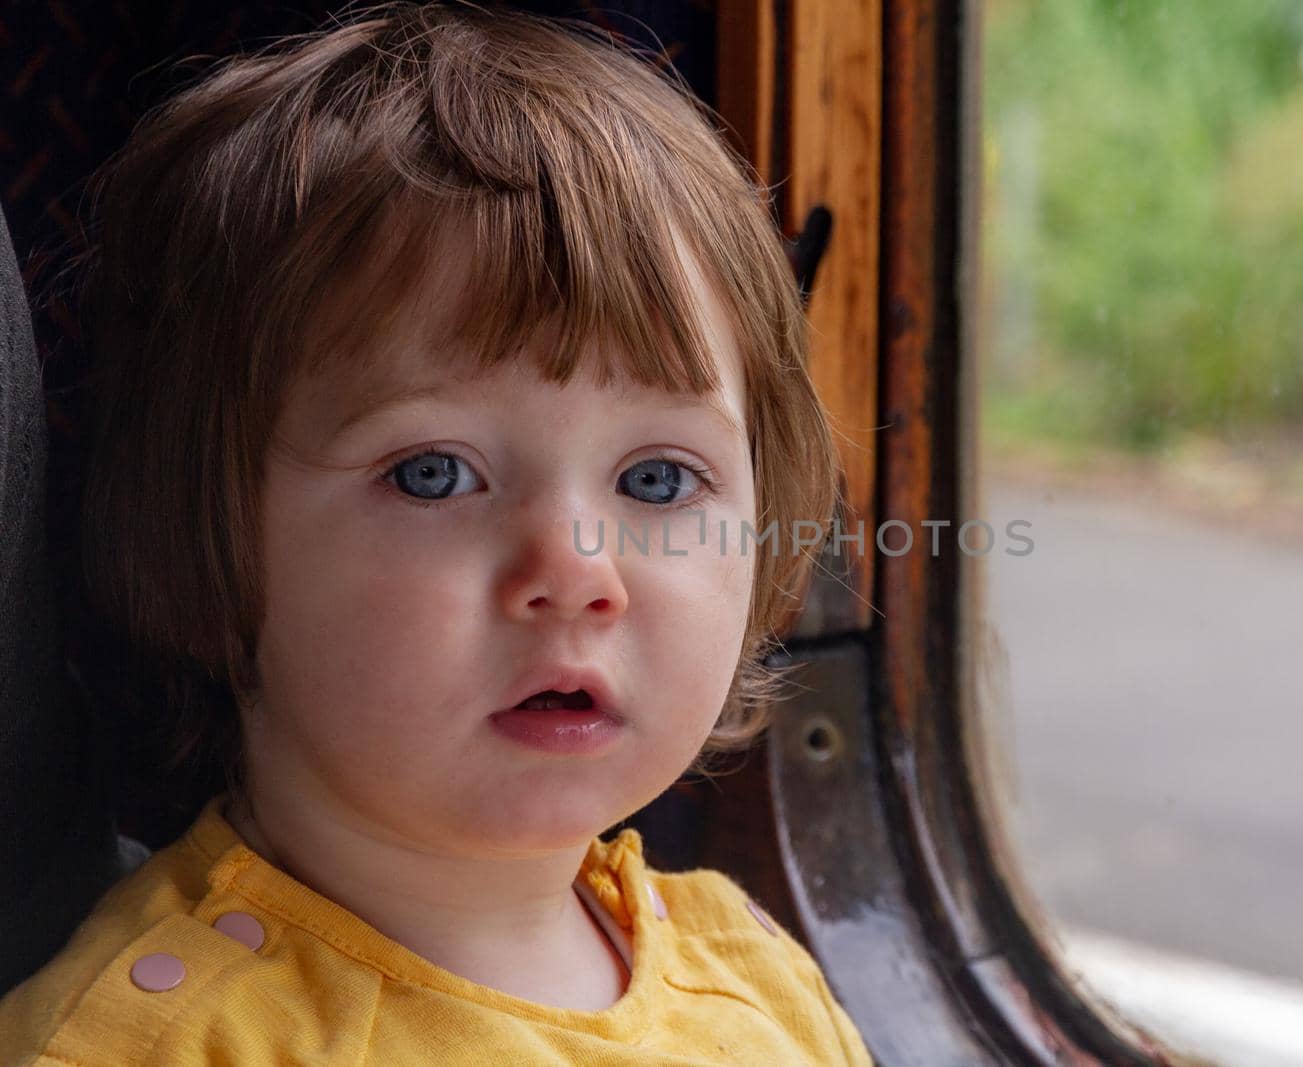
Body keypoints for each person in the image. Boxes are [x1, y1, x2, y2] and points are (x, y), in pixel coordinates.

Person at [0, 3, 869, 1063]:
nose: (576, 571)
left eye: (656, 477)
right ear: (205, 535)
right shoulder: (157, 1043)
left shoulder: (757, 977)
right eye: (433, 473)